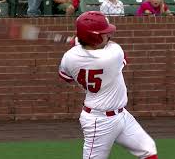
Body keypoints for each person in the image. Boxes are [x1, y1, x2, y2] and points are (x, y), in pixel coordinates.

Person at [58, 11, 158, 159]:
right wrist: (80, 42)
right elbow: (116, 52)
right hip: (99, 121)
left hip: (121, 115)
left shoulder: (69, 58)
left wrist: (79, 45)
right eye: (104, 33)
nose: (109, 35)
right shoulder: (113, 55)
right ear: (94, 37)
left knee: (147, 149)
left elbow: (66, 77)